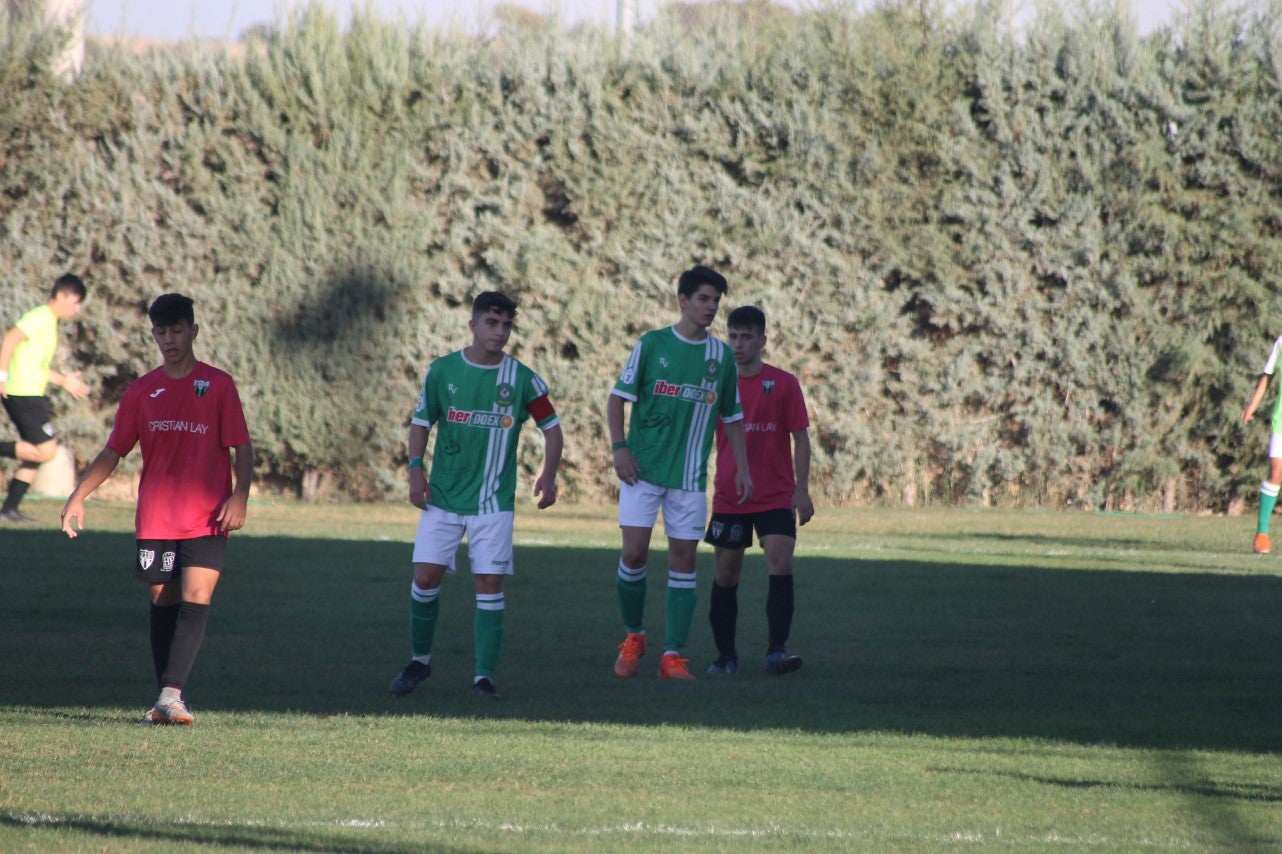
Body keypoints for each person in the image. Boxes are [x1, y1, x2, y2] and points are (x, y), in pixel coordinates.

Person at [61, 293, 253, 726]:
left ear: (193, 331)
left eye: (177, 330)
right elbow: (115, 451)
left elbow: (242, 446)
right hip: (157, 517)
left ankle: (170, 694)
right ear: (154, 335)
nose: (169, 339)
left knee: (197, 595)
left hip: (208, 516)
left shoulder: (218, 385)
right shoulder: (142, 390)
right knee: (162, 600)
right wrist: (78, 496)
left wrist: (240, 494)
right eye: (161, 332)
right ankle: (167, 697)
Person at [388, 291, 563, 701]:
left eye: (506, 325)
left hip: (492, 503)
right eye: (491, 323)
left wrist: (549, 475)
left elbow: (551, 428)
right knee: (425, 577)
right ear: (473, 324)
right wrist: (416, 471)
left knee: (489, 584)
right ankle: (419, 662)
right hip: (443, 499)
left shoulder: (521, 378)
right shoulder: (442, 371)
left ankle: (483, 677)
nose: (499, 332)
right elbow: (420, 424)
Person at [608, 265, 752, 681]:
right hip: (642, 471)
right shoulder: (651, 345)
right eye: (704, 299)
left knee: (684, 560)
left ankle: (673, 656)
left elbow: (732, 416)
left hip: (689, 478)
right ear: (683, 300)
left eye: (716, 301)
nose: (711, 308)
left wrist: (742, 468)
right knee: (633, 554)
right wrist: (620, 449)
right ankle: (634, 637)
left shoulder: (720, 356)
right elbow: (618, 400)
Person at [703, 306, 814, 675]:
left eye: (746, 336)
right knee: (726, 573)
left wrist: (802, 490)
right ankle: (725, 657)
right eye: (732, 336)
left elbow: (800, 437)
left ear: (762, 341)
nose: (738, 344)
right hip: (730, 495)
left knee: (780, 563)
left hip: (775, 494)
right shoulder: (717, 384)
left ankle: (777, 652)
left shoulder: (784, 383)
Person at [0, 274, 91, 522]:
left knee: (37, 452)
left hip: (32, 392)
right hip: (22, 392)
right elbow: (10, 338)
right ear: (61, 296)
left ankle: (9, 509)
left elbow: (37, 365)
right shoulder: (40, 317)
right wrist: (2, 376)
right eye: (75, 301)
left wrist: (64, 381)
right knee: (46, 450)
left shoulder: (50, 323)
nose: (77, 309)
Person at [1241, 334, 1282, 553]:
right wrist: (1252, 406)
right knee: (1276, 472)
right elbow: (1267, 376)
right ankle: (1262, 535)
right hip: (1281, 421)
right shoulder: (1281, 342)